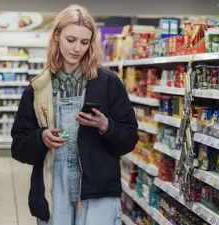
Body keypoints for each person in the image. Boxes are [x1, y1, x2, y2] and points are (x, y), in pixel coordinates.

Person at [10, 4, 139, 225]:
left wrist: (106, 126)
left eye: (84, 42)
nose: (77, 48)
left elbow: (129, 138)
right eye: (71, 40)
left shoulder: (107, 83)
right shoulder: (38, 89)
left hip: (98, 190)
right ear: (56, 37)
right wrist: (41, 138)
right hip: (53, 187)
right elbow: (19, 148)